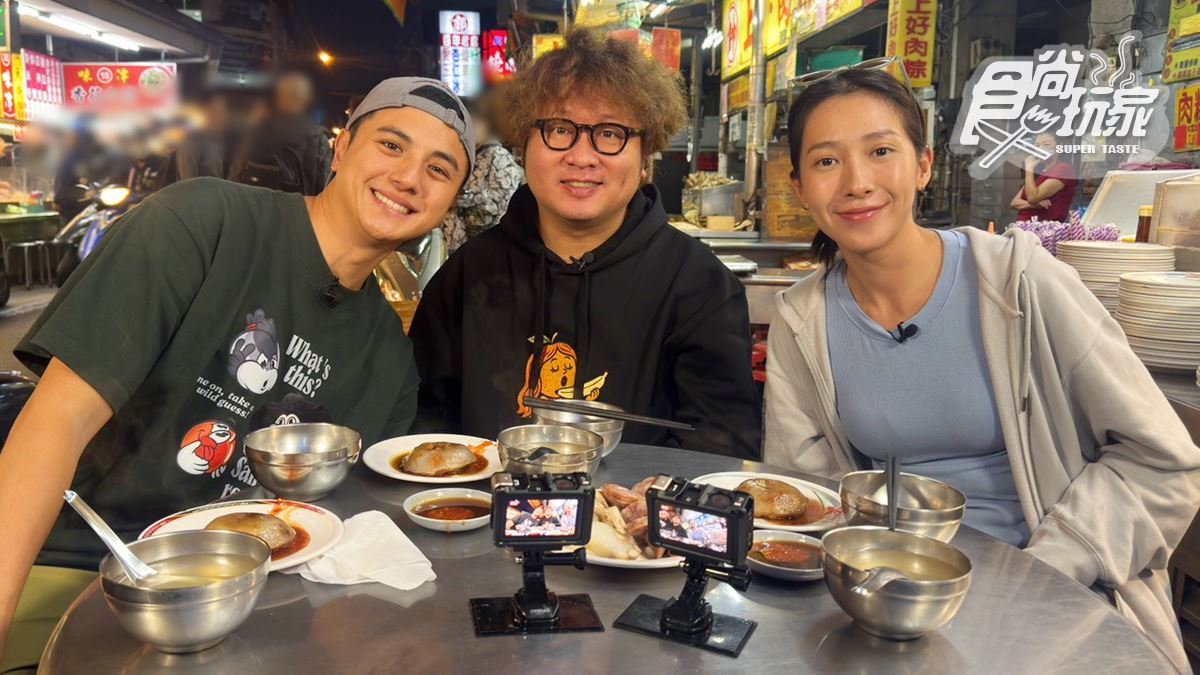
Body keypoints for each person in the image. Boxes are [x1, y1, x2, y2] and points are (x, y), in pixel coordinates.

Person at [0, 77, 474, 669]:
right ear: (341, 147)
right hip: (77, 573)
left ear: (450, 202)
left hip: (250, 610)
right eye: (391, 145)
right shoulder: (202, 222)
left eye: (439, 169)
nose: (408, 177)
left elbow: (334, 529)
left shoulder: (391, 366)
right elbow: (57, 421)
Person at [762, 61, 1200, 671]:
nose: (857, 182)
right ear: (801, 187)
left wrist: (1046, 567)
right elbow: (805, 495)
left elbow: (1163, 461)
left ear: (923, 166)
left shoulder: (1019, 283)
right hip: (891, 606)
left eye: (881, 151)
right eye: (827, 161)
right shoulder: (801, 318)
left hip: (1054, 595)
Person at [410, 28, 761, 459]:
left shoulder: (700, 285)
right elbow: (423, 426)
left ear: (645, 156)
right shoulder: (466, 276)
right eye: (559, 129)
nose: (581, 157)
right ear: (523, 146)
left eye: (610, 133)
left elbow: (722, 444)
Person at [440, 94, 524, 251]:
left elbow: (500, 208)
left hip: (484, 251)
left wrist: (458, 198)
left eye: (477, 121)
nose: (472, 127)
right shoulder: (463, 155)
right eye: (467, 122)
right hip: (449, 248)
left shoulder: (499, 157)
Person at [228, 71, 333, 195]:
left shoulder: (258, 130)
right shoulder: (318, 139)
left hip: (253, 202)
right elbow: (326, 187)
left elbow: (237, 173)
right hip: (298, 205)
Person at [1009, 132, 1077, 221]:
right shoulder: (1038, 173)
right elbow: (1015, 203)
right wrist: (1034, 205)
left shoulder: (1062, 169)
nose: (1040, 148)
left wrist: (1029, 168)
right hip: (1024, 225)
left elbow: (1033, 198)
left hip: (1045, 227)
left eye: (1047, 144)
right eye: (1037, 145)